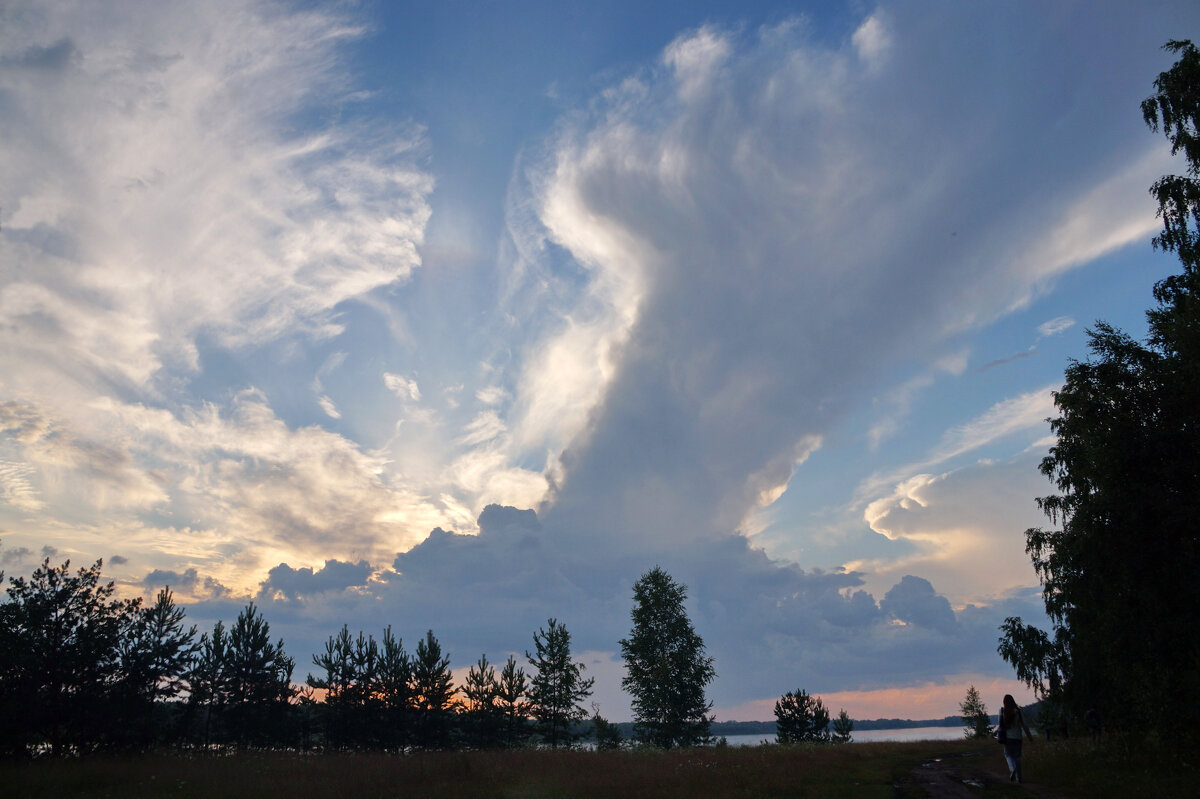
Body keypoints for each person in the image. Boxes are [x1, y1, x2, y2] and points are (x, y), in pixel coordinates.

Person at [997, 694, 1033, 783]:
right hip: (1018, 737)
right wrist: (1030, 737)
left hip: (1007, 738)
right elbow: (1024, 725)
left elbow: (1000, 724)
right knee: (1018, 757)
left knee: (1008, 755)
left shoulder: (1002, 711)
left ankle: (1013, 769)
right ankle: (1019, 778)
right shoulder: (1018, 711)